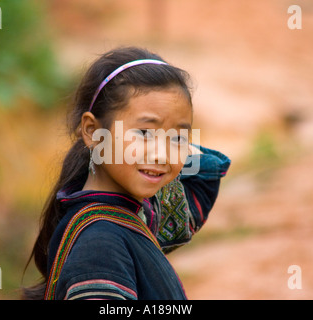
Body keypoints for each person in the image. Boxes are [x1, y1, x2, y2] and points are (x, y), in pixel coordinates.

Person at [23, 47, 231, 300]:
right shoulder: (101, 245)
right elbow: (205, 173)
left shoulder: (138, 217)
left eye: (178, 137)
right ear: (91, 131)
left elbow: (203, 179)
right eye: (144, 133)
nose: (162, 154)